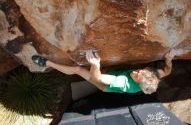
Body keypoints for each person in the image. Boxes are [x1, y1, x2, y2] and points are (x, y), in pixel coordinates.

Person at [32, 50, 176, 94]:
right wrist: (169, 59)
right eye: (140, 71)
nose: (136, 72)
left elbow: (99, 78)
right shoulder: (153, 75)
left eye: (137, 76)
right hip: (113, 75)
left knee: (78, 69)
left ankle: (46, 64)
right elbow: (167, 71)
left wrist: (95, 64)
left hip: (104, 85)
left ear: (137, 83)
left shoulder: (123, 83)